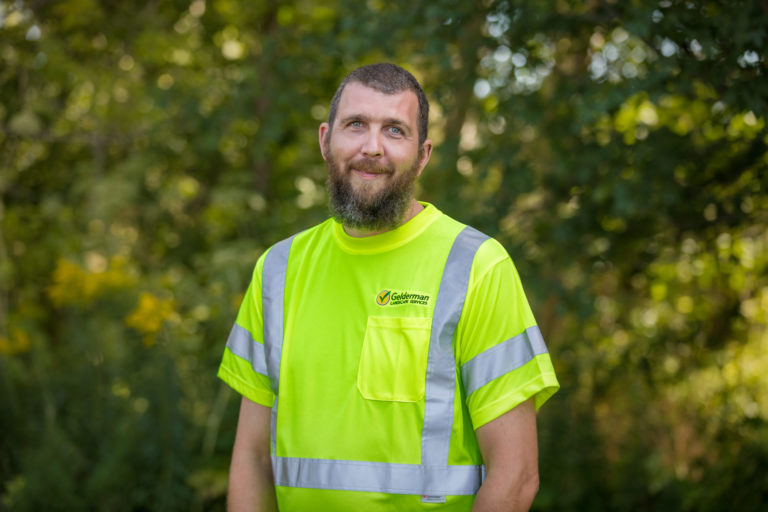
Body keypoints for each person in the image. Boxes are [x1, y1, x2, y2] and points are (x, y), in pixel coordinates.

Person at [217, 63, 559, 511]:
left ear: (422, 154)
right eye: (355, 125)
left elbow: (515, 476)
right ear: (325, 139)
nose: (371, 147)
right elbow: (252, 460)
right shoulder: (277, 270)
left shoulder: (477, 266)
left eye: (395, 131)